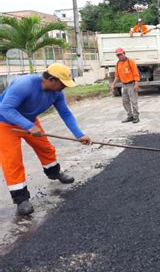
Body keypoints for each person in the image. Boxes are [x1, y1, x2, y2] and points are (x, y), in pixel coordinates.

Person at [0, 63, 92, 216]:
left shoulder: (57, 93)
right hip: (5, 123)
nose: (64, 87)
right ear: (51, 79)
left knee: (46, 148)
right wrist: (28, 125)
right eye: (63, 84)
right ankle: (21, 199)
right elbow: (5, 109)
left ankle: (54, 172)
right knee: (12, 161)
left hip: (29, 121)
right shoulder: (24, 85)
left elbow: (66, 114)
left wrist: (79, 134)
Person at [111, 48, 140, 123]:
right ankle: (130, 116)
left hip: (132, 84)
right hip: (124, 85)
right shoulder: (118, 64)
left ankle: (136, 117)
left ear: (124, 53)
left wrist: (136, 84)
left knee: (134, 101)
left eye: (121, 54)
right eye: (118, 55)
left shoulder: (130, 61)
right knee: (125, 101)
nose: (120, 56)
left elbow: (135, 73)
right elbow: (117, 76)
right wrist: (113, 84)